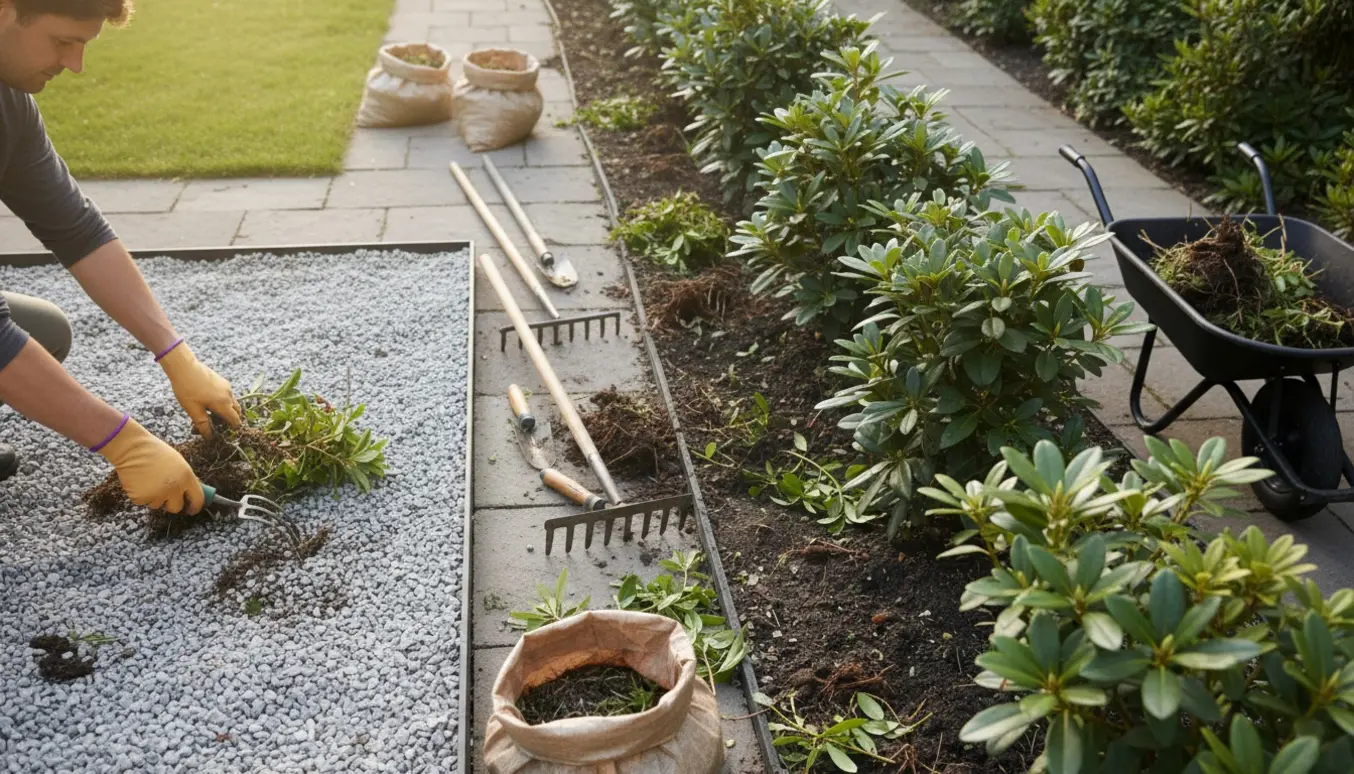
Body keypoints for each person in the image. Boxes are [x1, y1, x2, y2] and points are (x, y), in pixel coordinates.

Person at [0, 0, 239, 514]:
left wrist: (176, 355)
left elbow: (77, 229)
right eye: (63, 42)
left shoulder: (10, 102)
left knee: (45, 331)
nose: (75, 65)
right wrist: (124, 443)